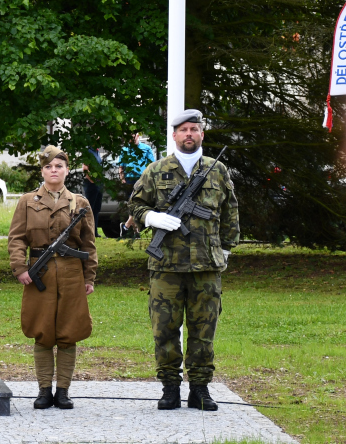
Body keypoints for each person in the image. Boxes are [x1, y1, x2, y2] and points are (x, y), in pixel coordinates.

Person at [128, 109, 239, 411]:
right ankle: (170, 388)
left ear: (202, 134)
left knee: (204, 330)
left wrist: (226, 250)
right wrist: (153, 217)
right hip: (165, 266)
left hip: (206, 266)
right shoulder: (156, 170)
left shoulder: (218, 171)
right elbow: (135, 204)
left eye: (194, 129)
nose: (189, 134)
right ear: (174, 135)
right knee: (164, 329)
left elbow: (230, 211)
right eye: (183, 130)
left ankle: (200, 389)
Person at [7, 145, 98, 410]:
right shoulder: (27, 201)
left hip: (71, 273)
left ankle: (63, 392)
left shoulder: (79, 203)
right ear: (43, 171)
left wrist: (89, 276)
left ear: (67, 170)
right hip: (39, 272)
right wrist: (20, 268)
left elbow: (88, 244)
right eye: (48, 167)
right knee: (42, 332)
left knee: (69, 333)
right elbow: (16, 238)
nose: (53, 170)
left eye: (59, 166)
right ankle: (44, 390)